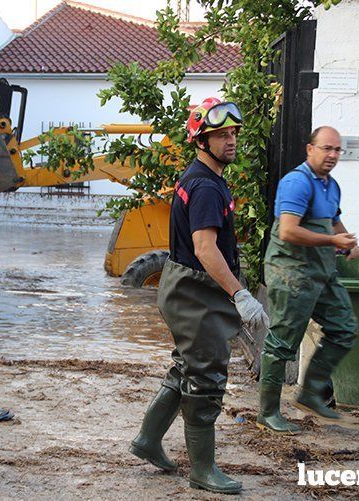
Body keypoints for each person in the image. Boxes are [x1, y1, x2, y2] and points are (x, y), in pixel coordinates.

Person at [129, 98, 269, 494]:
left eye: (234, 133)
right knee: (206, 379)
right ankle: (203, 471)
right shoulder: (205, 185)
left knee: (186, 369)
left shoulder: (201, 179)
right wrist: (241, 294)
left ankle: (147, 440)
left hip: (184, 287)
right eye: (222, 135)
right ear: (200, 140)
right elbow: (206, 249)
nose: (231, 140)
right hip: (196, 292)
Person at [256, 126, 359, 434]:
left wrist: (348, 240)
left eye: (337, 150)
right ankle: (268, 413)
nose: (332, 155)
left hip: (321, 272)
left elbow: (333, 219)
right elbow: (288, 231)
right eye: (326, 148)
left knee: (345, 328)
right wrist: (332, 241)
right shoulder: (296, 183)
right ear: (309, 149)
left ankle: (311, 393)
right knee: (282, 343)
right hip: (292, 272)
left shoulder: (331, 184)